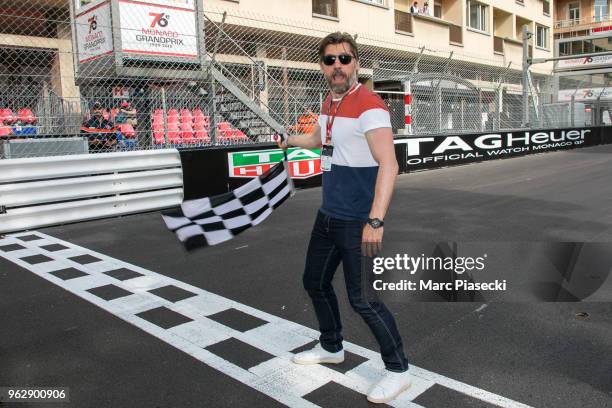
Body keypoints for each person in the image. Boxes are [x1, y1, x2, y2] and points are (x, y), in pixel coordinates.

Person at [277, 32, 411, 404]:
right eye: (330, 59)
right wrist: (289, 140)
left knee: (364, 300)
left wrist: (376, 221)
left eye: (344, 59)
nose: (337, 66)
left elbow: (390, 164)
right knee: (314, 282)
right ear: (321, 65)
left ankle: (398, 369)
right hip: (328, 215)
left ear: (356, 63)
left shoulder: (370, 105)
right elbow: (318, 138)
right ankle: (331, 345)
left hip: (358, 220)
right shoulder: (329, 102)